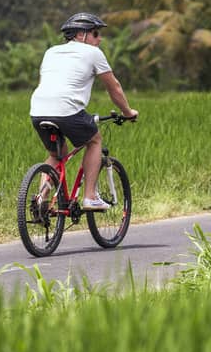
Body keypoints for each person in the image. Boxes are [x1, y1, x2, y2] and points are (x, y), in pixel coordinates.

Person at [28, 12, 138, 211]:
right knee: (94, 141)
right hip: (67, 109)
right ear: (81, 35)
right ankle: (90, 197)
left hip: (38, 109)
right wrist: (128, 112)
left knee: (56, 155)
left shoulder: (50, 52)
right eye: (95, 34)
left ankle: (40, 199)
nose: (100, 39)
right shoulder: (94, 53)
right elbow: (114, 88)